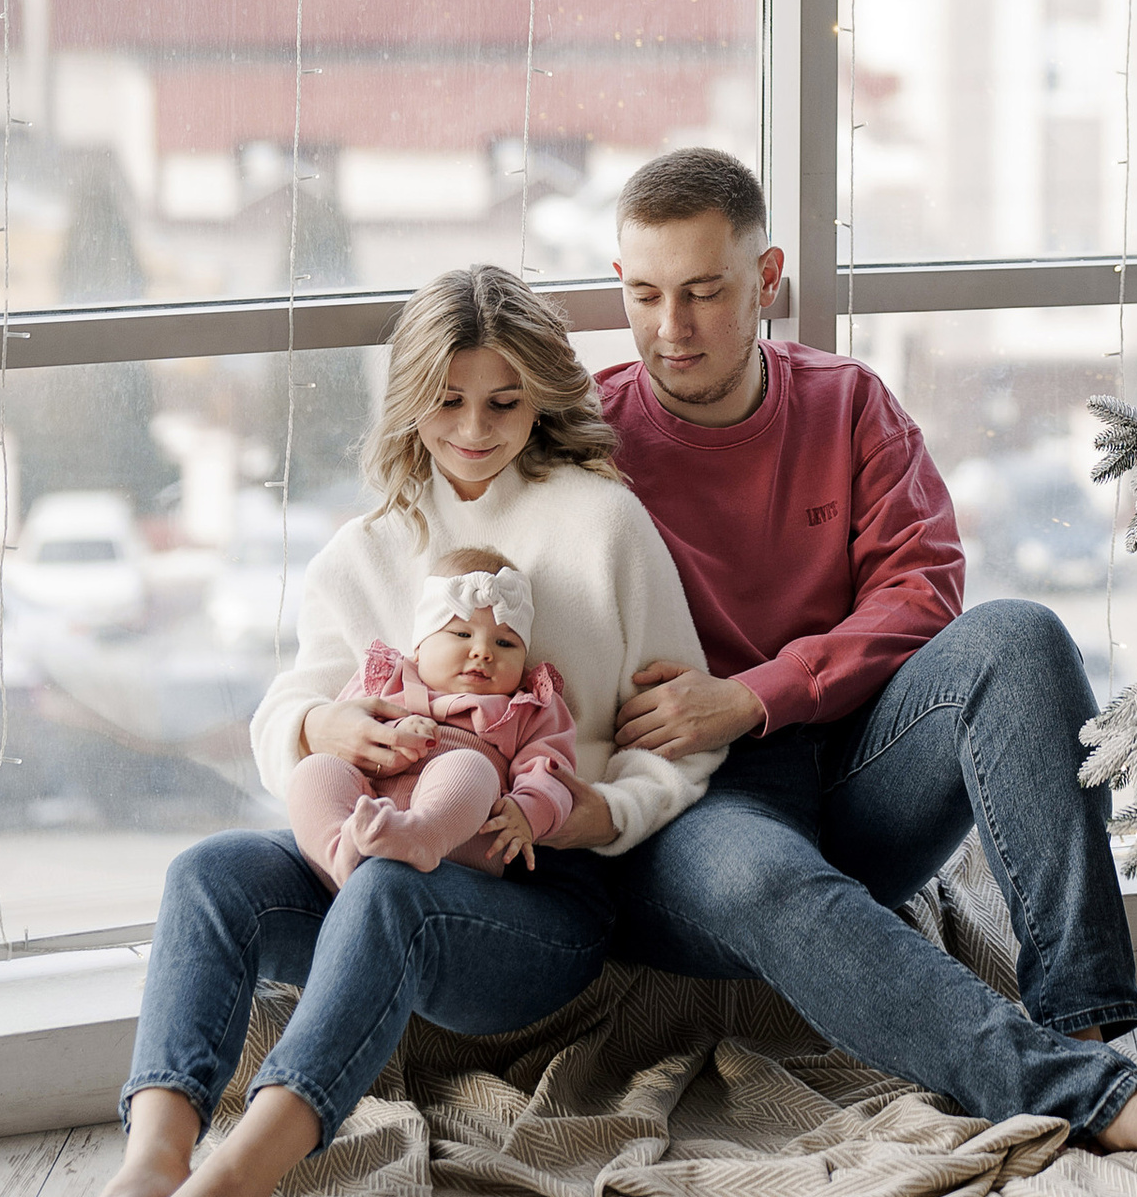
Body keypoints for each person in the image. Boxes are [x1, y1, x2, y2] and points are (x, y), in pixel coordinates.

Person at [581, 146, 1137, 1165]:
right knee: (758, 874)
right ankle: (1099, 1102)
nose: (673, 328)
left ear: (767, 277)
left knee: (1018, 635)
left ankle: (1098, 1031)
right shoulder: (588, 440)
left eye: (704, 291)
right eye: (647, 295)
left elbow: (922, 593)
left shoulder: (846, 402)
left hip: (855, 776)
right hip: (696, 806)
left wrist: (753, 696)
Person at [105, 267, 721, 1197]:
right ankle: (152, 1161)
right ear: (408, 399)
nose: (474, 429)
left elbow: (681, 738)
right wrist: (325, 723)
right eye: (447, 400)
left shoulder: (605, 525)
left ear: (540, 397)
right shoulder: (364, 548)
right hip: (363, 854)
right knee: (208, 874)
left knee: (390, 887)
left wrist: (596, 812)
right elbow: (285, 713)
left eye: (503, 402)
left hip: (536, 896)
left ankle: (239, 1174)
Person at [284, 545, 577, 883]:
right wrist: (394, 730)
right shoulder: (387, 679)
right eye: (462, 634)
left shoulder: (527, 705)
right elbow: (347, 731)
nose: (482, 652)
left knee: (471, 765)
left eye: (505, 643)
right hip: (367, 813)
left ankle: (420, 837)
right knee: (316, 769)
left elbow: (551, 767)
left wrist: (528, 810)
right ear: (420, 647)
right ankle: (341, 856)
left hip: (460, 842)